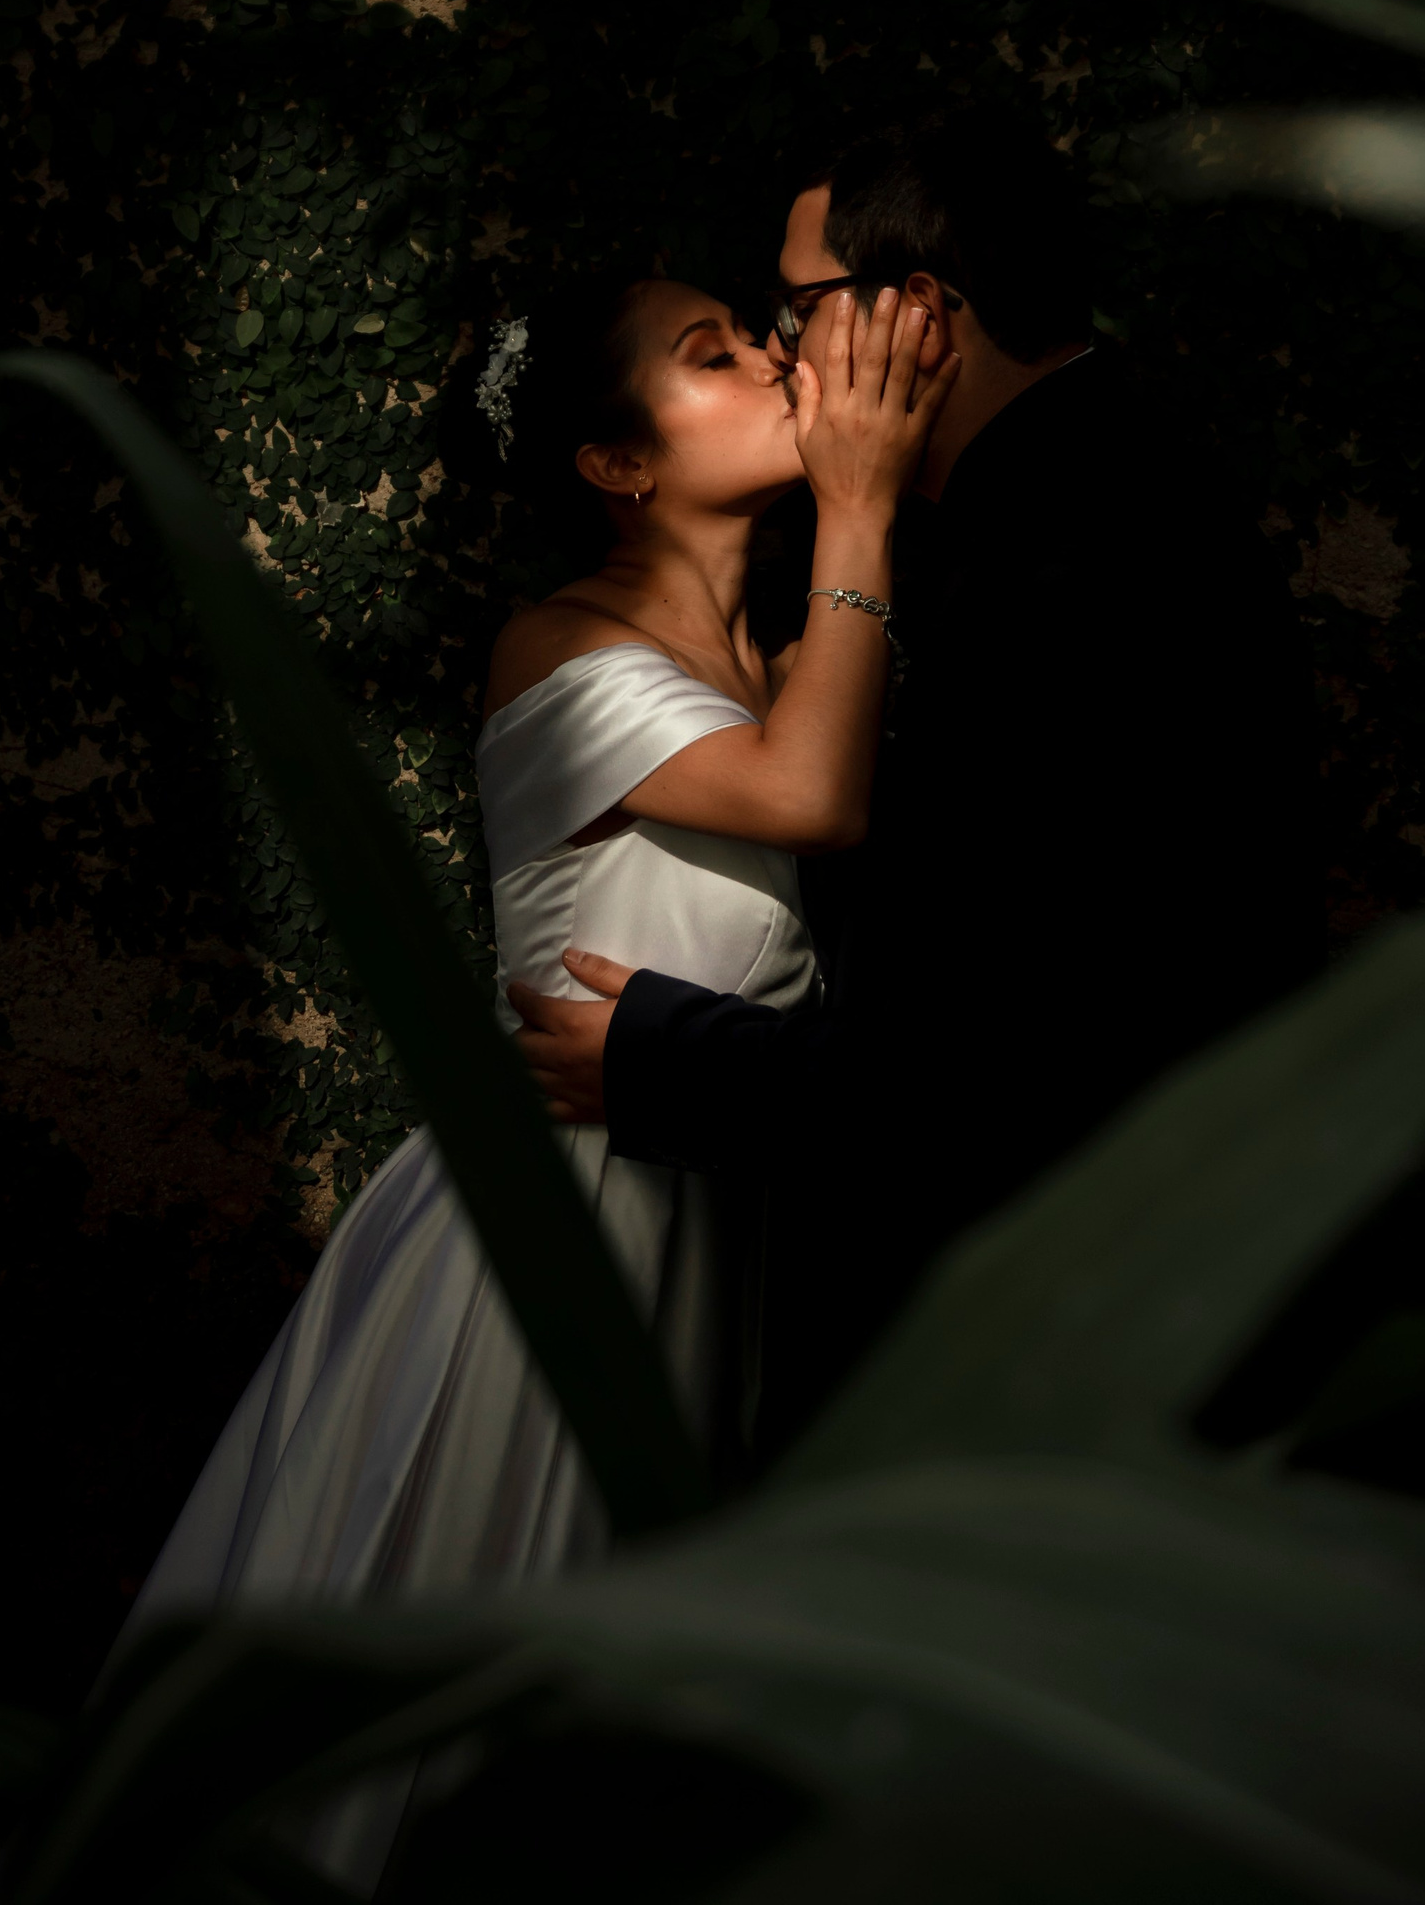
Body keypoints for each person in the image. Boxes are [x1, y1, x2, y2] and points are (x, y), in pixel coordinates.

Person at [114, 267, 953, 1894]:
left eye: (754, 332)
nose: (776, 359)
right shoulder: (561, 648)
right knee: (483, 1669)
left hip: (719, 1211)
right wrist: (861, 501)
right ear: (615, 464)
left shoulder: (788, 659)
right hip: (562, 1233)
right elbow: (814, 801)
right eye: (715, 355)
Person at [511, 112, 1323, 1446]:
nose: (783, 350)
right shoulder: (985, 534)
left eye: (796, 307)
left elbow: (1034, 1051)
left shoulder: (1098, 561)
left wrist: (677, 1064)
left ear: (919, 312)